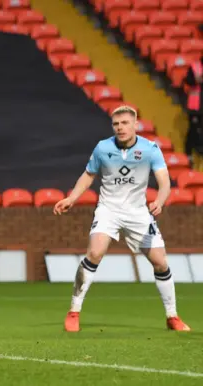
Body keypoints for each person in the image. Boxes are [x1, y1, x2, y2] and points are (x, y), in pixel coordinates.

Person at [53, 105, 191, 333]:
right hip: (109, 209)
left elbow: (165, 181)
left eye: (125, 123)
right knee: (95, 253)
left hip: (138, 213)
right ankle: (74, 311)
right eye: (116, 124)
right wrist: (72, 198)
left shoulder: (150, 149)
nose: (120, 128)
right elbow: (88, 175)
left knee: (160, 262)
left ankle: (172, 316)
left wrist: (160, 200)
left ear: (135, 125)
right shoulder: (103, 148)